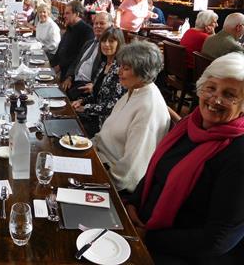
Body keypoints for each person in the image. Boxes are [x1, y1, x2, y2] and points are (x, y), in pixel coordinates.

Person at [126, 52, 244, 264]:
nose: (215, 99)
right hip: (144, 224)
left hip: (183, 252)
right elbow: (157, 170)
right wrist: (132, 203)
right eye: (211, 88)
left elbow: (217, 240)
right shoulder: (189, 123)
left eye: (229, 95)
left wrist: (148, 238)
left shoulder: (238, 153)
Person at [93, 41, 170, 193]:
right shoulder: (133, 90)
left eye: (126, 68)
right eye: (120, 66)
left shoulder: (148, 107)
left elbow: (132, 169)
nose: (118, 72)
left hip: (110, 176)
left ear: (143, 72)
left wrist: (102, 181)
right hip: (98, 157)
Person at [72, 27, 127, 137]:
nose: (106, 44)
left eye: (111, 41)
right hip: (95, 116)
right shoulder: (103, 64)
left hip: (105, 124)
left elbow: (112, 106)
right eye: (103, 40)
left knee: (70, 130)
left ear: (119, 44)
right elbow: (98, 94)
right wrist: (82, 101)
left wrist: (86, 108)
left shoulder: (120, 70)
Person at [61, 11, 112, 100]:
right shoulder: (89, 43)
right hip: (74, 82)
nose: (98, 26)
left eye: (102, 23)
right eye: (96, 23)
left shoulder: (108, 48)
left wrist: (95, 85)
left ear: (111, 25)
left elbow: (107, 72)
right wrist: (69, 77)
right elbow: (77, 61)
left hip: (86, 87)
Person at [51, 0, 94, 78]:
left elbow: (80, 56)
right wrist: (51, 66)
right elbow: (60, 48)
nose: (64, 16)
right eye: (64, 13)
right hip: (60, 70)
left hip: (71, 74)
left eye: (67, 13)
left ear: (76, 14)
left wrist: (60, 67)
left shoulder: (87, 31)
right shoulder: (70, 27)